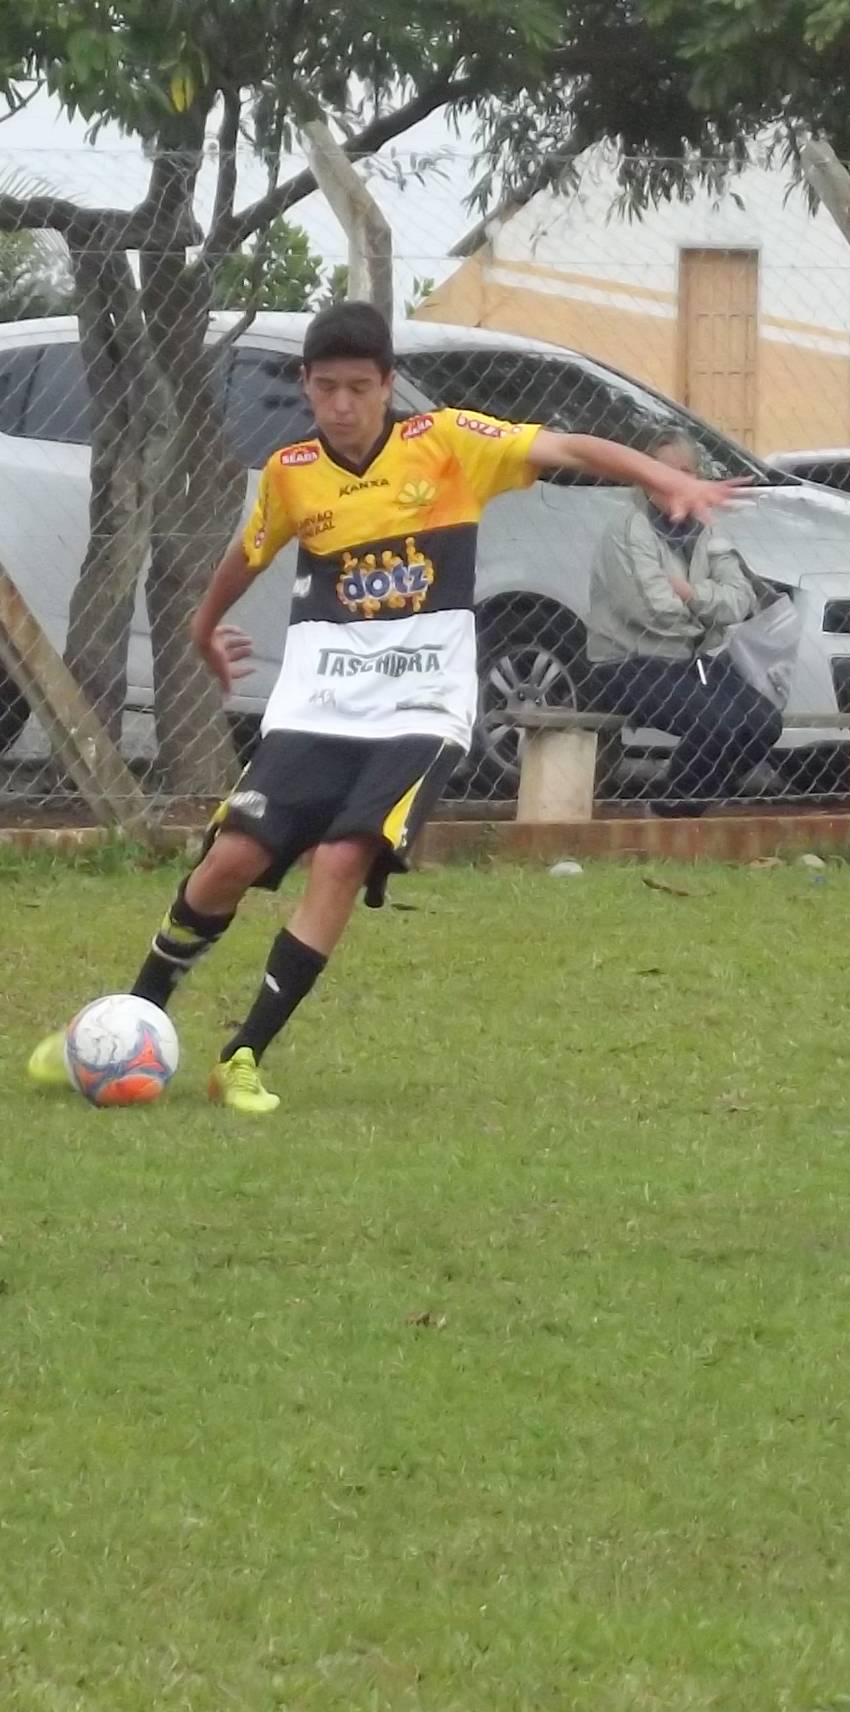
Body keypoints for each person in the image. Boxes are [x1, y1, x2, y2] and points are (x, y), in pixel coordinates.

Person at [26, 302, 726, 1115]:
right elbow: (248, 552)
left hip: (422, 705)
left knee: (341, 857)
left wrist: (664, 475)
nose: (344, 406)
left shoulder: (450, 444)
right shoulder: (293, 470)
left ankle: (243, 1055)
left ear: (389, 385)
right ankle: (124, 1020)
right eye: (327, 389)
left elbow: (564, 445)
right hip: (319, 702)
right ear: (307, 387)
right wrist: (204, 626)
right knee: (230, 864)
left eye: (361, 388)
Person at [584, 431, 782, 817]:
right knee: (717, 722)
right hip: (629, 663)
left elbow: (741, 598)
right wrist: (711, 610)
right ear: (646, 475)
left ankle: (691, 805)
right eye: (665, 470)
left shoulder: (707, 528)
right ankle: (668, 814)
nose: (676, 479)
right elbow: (652, 610)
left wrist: (690, 594)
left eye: (687, 471)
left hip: (691, 661)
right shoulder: (628, 529)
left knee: (764, 722)